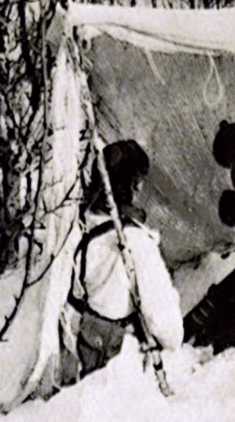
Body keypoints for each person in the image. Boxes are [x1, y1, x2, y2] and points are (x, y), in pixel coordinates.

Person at [60, 140, 183, 384]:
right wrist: (173, 342)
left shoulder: (81, 232)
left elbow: (72, 304)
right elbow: (163, 319)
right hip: (125, 365)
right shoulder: (135, 241)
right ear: (131, 186)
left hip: (87, 355)